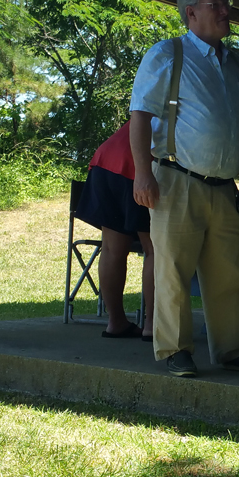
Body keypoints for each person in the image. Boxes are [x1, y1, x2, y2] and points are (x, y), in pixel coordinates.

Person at [129, 0, 239, 379]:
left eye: (227, 4)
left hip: (225, 188)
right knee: (173, 270)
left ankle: (232, 349)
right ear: (191, 13)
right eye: (217, 5)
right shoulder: (167, 54)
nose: (227, 11)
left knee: (231, 274)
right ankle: (174, 349)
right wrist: (144, 174)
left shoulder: (235, 65)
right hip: (176, 179)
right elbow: (139, 115)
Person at [72, 120, 155, 339]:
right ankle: (153, 324)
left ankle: (116, 321)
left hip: (105, 161)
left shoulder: (149, 94)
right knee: (155, 249)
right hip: (141, 165)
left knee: (111, 248)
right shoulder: (182, 98)